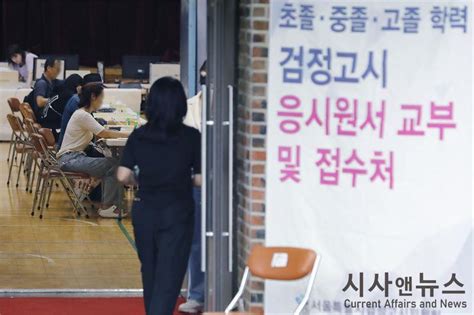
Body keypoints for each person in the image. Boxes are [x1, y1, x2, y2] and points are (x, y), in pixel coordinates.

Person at [117, 77, 202, 315]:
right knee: (170, 272)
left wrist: (140, 180)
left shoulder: (139, 135)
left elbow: (123, 175)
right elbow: (201, 179)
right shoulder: (192, 136)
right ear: (180, 106)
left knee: (151, 270)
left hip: (145, 211)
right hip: (177, 212)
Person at [57, 83, 129, 218]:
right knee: (113, 165)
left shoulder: (83, 114)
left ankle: (110, 203)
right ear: (93, 97)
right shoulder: (83, 115)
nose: (102, 100)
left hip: (72, 157)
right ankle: (107, 207)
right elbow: (104, 133)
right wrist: (129, 135)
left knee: (112, 163)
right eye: (101, 97)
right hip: (69, 159)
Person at [179, 61, 206, 313]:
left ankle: (225, 291)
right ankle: (197, 294)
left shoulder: (231, 107)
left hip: (223, 181)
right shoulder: (188, 108)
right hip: (194, 183)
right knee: (196, 240)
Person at [58, 73, 102, 149]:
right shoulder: (77, 102)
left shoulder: (80, 99)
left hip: (77, 148)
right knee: (109, 159)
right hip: (71, 151)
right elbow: (98, 131)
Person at [28, 57, 63, 139]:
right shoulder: (42, 83)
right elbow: (39, 102)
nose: (59, 72)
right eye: (57, 69)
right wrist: (56, 100)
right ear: (49, 68)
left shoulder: (53, 82)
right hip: (44, 119)